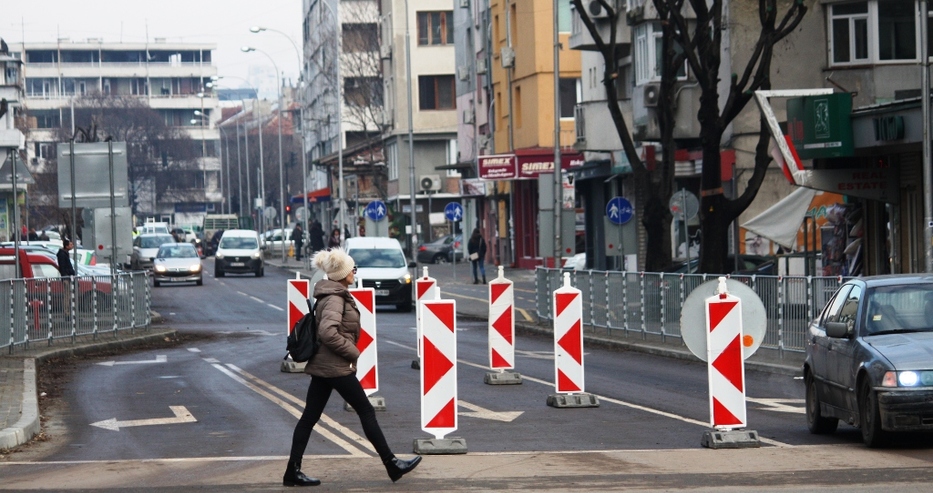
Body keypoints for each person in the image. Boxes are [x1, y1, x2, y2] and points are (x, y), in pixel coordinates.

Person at [284, 248, 422, 487]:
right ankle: (392, 464)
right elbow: (328, 332)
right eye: (352, 269)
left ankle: (291, 472)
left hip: (323, 366)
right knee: (366, 411)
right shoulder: (336, 298)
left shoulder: (332, 294)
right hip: (335, 367)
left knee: (309, 418)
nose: (354, 273)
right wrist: (352, 351)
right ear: (343, 274)